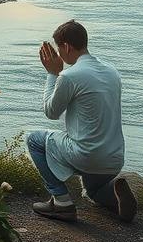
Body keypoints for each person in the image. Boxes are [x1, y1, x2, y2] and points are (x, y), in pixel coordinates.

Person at [27, 20, 136, 223]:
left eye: (59, 48)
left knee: (33, 139)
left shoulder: (69, 76)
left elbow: (51, 112)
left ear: (66, 46)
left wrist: (52, 74)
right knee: (93, 192)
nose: (58, 54)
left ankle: (61, 202)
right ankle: (115, 194)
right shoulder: (112, 72)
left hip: (86, 156)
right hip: (113, 158)